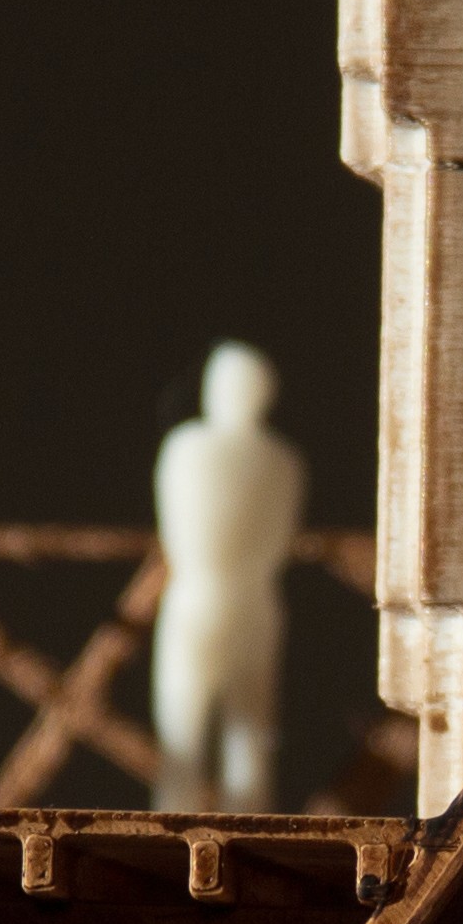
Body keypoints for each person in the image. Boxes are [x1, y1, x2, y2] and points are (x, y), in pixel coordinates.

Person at [150, 341, 304, 812]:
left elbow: (174, 529)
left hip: (197, 595)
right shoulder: (283, 461)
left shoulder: (185, 447)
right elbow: (280, 540)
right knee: (249, 736)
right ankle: (249, 830)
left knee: (182, 732)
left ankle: (170, 834)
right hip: (256, 599)